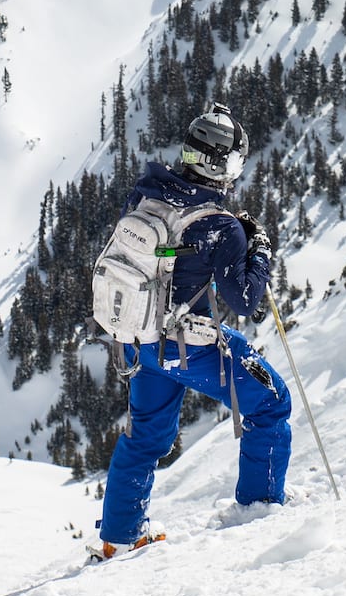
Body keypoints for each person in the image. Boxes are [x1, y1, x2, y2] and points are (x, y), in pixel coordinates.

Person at [92, 101, 291, 559]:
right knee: (272, 402)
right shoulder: (221, 227)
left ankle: (118, 538)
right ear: (224, 164)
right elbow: (245, 300)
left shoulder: (145, 197)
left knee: (146, 437)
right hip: (192, 346)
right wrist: (257, 251)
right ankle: (258, 509)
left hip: (139, 342)